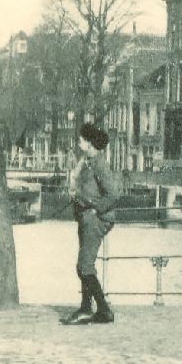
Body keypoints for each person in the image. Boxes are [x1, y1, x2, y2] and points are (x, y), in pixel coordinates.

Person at [61, 123, 119, 325]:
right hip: (85, 217)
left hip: (95, 219)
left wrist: (96, 210)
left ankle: (101, 310)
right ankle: (89, 308)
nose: (78, 143)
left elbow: (113, 194)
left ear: (89, 143)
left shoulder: (100, 164)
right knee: (82, 265)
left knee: (85, 265)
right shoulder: (88, 161)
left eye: (81, 140)